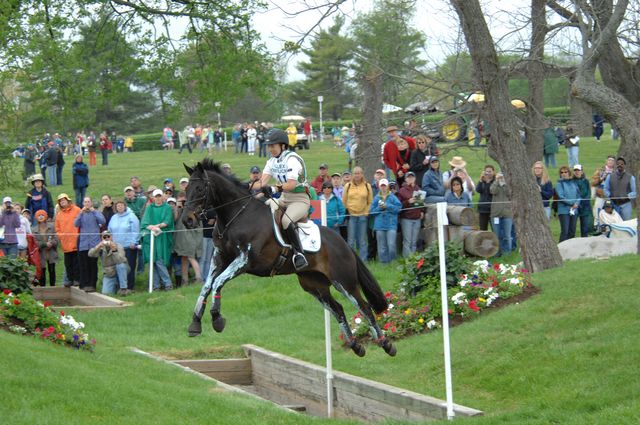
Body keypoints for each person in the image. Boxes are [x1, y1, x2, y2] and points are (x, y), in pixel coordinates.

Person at [259, 129, 311, 270]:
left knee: (286, 220)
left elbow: (291, 185)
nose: (270, 149)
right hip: (284, 198)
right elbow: (261, 183)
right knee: (263, 208)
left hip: (300, 199)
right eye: (269, 146)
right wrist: (247, 192)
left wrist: (274, 189)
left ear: (282, 145)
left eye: (273, 146)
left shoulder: (292, 159)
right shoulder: (271, 161)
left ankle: (299, 254)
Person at [141, 189, 175, 291]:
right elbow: (145, 223)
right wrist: (152, 227)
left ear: (162, 197)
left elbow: (167, 221)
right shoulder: (149, 208)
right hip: (151, 237)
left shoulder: (167, 207)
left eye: (160, 196)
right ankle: (156, 285)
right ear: (153, 197)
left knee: (160, 260)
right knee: (153, 261)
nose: (158, 198)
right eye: (156, 196)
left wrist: (157, 226)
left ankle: (167, 284)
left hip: (162, 237)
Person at [74, 197, 105, 292]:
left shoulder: (96, 212)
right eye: (85, 202)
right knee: (83, 265)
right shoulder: (81, 214)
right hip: (83, 243)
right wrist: (80, 213)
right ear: (83, 203)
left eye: (88, 202)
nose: (87, 204)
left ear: (91, 203)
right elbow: (75, 224)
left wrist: (94, 211)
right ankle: (84, 284)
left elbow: (102, 221)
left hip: (94, 244)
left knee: (92, 265)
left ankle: (92, 285)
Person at [342, 166, 373, 262]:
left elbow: (370, 201)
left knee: (363, 240)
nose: (357, 175)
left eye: (359, 173)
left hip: (363, 216)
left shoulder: (367, 186)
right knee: (351, 240)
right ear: (352, 175)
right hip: (351, 216)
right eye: (355, 173)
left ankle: (363, 261)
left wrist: (367, 211)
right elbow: (344, 200)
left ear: (362, 174)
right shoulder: (348, 186)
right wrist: (348, 210)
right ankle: (351, 260)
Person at [108, 199, 140, 292]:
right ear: (115, 208)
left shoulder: (131, 216)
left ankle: (129, 287)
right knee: (119, 266)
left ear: (125, 206)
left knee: (129, 267)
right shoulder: (113, 217)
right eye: (118, 206)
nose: (120, 207)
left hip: (129, 246)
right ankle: (120, 287)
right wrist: (110, 242)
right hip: (117, 247)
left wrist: (134, 242)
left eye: (121, 205)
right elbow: (109, 230)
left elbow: (136, 230)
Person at [172, 191, 203, 286]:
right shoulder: (178, 208)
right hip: (181, 238)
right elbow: (175, 219)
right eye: (180, 200)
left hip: (191, 237)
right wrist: (177, 207)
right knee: (184, 258)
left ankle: (199, 277)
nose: (183, 202)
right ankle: (184, 279)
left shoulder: (193, 208)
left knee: (191, 257)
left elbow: (195, 222)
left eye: (184, 200)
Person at [369, 179, 401, 264]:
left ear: (387, 187)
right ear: (379, 187)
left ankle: (393, 262)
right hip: (379, 225)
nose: (383, 188)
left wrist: (387, 206)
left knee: (391, 245)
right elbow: (371, 212)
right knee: (382, 247)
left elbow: (398, 208)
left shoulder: (393, 197)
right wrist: (380, 208)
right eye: (381, 186)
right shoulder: (376, 198)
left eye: (384, 186)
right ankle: (384, 263)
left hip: (391, 225)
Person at [89, 231, 130, 296]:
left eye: (108, 236)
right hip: (109, 273)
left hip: (120, 269)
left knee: (121, 265)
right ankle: (115, 287)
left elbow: (120, 260)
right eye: (104, 237)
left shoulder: (118, 246)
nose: (107, 238)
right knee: (106, 293)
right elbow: (90, 254)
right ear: (102, 238)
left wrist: (114, 250)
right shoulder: (101, 248)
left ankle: (123, 289)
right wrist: (98, 247)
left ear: (112, 237)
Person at [54, 193, 81, 286]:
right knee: (68, 263)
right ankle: (70, 280)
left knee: (77, 263)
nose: (63, 202)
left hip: (76, 241)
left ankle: (77, 279)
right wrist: (61, 236)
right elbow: (57, 228)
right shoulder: (59, 214)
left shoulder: (77, 210)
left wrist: (79, 235)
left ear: (68, 200)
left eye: (64, 200)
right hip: (65, 243)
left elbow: (81, 223)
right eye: (61, 201)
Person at [397, 171, 424, 257]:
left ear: (415, 179)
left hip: (417, 218)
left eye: (412, 177)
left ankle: (413, 261)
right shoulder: (402, 190)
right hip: (406, 218)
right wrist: (408, 202)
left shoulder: (418, 189)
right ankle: (406, 260)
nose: (410, 179)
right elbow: (399, 205)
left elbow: (421, 203)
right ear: (405, 179)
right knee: (407, 241)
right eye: (409, 177)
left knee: (414, 241)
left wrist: (422, 211)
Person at [33, 210, 58, 286]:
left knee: (52, 270)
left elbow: (56, 239)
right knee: (42, 271)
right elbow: (35, 243)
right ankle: (42, 288)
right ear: (36, 218)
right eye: (39, 215)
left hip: (51, 252)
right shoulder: (34, 230)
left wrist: (52, 243)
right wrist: (44, 244)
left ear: (45, 216)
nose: (40, 217)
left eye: (42, 215)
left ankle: (53, 287)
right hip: (41, 253)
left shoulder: (52, 227)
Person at [490, 173, 513, 256]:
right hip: (495, 214)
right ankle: (497, 253)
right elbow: (492, 191)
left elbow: (509, 193)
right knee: (496, 235)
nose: (501, 178)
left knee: (507, 235)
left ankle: (507, 253)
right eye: (500, 176)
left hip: (507, 214)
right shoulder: (494, 184)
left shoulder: (508, 184)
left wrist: (505, 183)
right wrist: (496, 181)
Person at [556, 166, 580, 242]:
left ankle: (570, 249)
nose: (564, 174)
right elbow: (561, 196)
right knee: (565, 231)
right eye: (562, 172)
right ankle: (561, 248)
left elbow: (579, 195)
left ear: (569, 173)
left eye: (565, 172)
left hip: (574, 210)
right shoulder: (559, 184)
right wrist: (572, 203)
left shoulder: (574, 183)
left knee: (572, 231)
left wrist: (576, 203)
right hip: (563, 211)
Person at [572, 164, 593, 237]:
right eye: (575, 170)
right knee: (572, 227)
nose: (577, 172)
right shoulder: (571, 181)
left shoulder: (586, 181)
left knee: (584, 228)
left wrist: (583, 203)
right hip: (574, 206)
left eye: (578, 170)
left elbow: (588, 194)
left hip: (585, 206)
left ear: (582, 171)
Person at [476, 165, 495, 230]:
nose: (488, 173)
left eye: (490, 171)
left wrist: (488, 183)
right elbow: (478, 190)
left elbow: (491, 192)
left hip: (493, 209)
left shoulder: (495, 181)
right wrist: (481, 181)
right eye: (487, 171)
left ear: (493, 172)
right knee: (483, 229)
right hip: (483, 209)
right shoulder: (483, 180)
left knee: (495, 229)